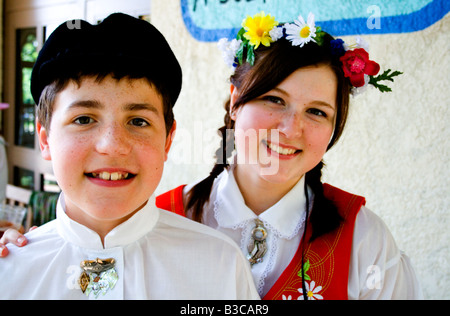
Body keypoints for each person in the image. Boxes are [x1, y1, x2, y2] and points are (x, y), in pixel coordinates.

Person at [1, 11, 422, 300]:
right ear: (235, 102)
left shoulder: (362, 237)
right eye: (273, 100)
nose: (290, 129)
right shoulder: (166, 210)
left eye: (317, 112)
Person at [0, 13, 259, 300]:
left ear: (167, 139)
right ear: (45, 138)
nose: (112, 146)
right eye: (84, 119)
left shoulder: (219, 265)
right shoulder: (10, 272)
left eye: (138, 121)